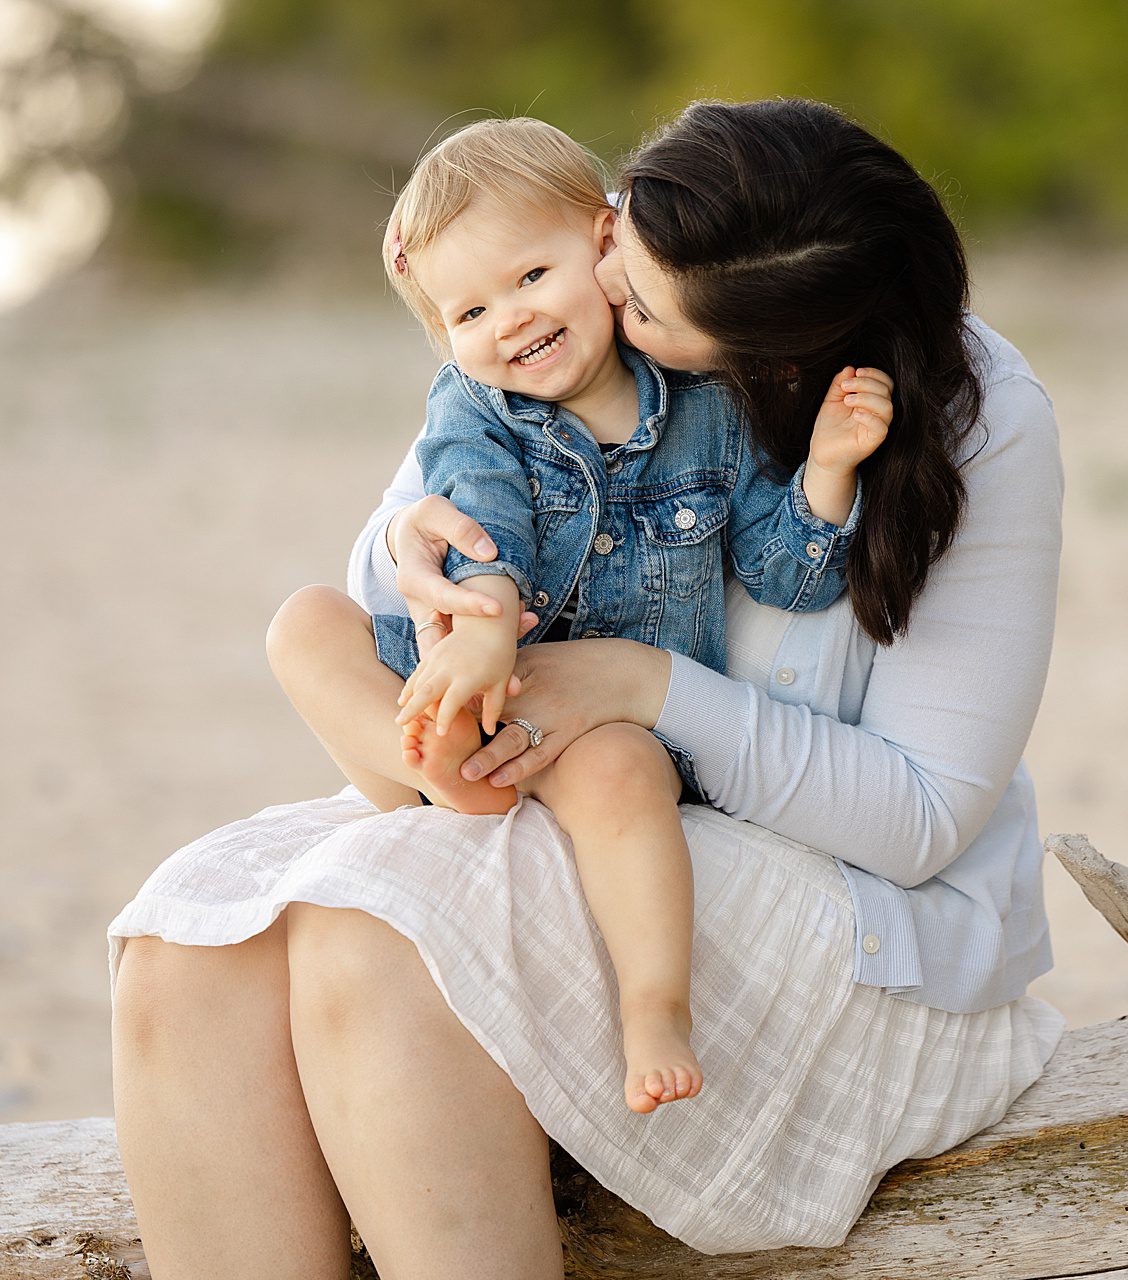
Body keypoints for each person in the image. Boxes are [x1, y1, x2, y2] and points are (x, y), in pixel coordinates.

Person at [109, 98, 1065, 1278]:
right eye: (611, 234)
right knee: (183, 942)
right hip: (574, 793)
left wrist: (639, 683)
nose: (594, 288)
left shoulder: (975, 417)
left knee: (373, 934)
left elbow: (917, 825)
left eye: (635, 297)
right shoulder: (600, 285)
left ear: (765, 346)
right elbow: (449, 499)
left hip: (853, 915)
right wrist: (408, 538)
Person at [266, 117, 890, 1115]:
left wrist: (823, 473)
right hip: (473, 671)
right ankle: (422, 779)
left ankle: (652, 1006)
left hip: (601, 718)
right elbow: (481, 512)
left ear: (605, 246)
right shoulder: (473, 407)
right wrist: (478, 626)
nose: (506, 321)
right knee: (304, 622)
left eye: (527, 278)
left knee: (623, 771)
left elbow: (788, 575)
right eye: (467, 309)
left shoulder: (709, 406)